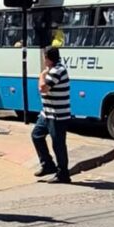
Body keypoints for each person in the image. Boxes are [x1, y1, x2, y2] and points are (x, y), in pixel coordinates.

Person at [31, 46, 71, 184]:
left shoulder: (57, 71)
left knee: (58, 144)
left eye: (44, 57)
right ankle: (47, 164)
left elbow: (43, 88)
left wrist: (41, 75)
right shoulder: (52, 70)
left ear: (48, 58)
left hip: (58, 116)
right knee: (36, 135)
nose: (43, 59)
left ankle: (63, 174)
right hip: (47, 113)